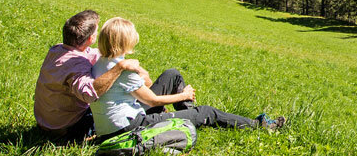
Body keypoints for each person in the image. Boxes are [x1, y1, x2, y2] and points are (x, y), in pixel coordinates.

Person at [90, 17, 286, 138]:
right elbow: (152, 100)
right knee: (209, 111)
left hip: (114, 123)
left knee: (172, 75)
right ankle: (259, 126)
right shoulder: (124, 70)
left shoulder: (101, 61)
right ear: (125, 41)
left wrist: (143, 74)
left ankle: (190, 117)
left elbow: (146, 90)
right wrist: (184, 95)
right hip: (128, 128)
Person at [33, 9, 143, 140]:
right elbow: (89, 94)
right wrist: (119, 67)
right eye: (97, 32)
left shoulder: (57, 49)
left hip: (46, 122)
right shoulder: (77, 65)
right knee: (114, 102)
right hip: (66, 129)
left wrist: (111, 49)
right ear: (91, 38)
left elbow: (92, 53)